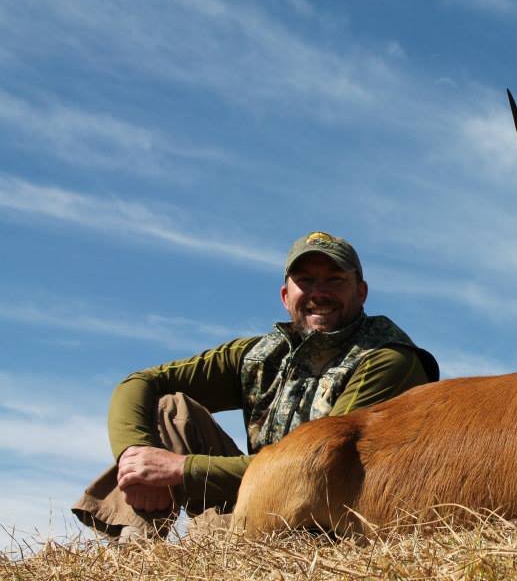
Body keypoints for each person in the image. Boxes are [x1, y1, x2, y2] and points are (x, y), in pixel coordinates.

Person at [72, 231, 439, 539]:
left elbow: (322, 468)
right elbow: (140, 382)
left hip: (330, 527)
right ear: (285, 296)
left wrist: (180, 469)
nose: (319, 291)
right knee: (170, 409)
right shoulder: (259, 355)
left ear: (361, 292)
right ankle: (136, 551)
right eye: (306, 281)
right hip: (257, 512)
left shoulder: (387, 360)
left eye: (334, 279)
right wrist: (134, 456)